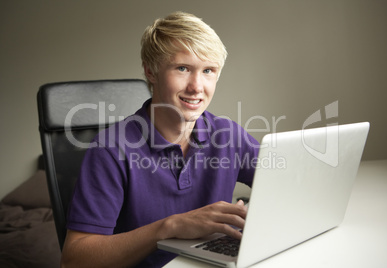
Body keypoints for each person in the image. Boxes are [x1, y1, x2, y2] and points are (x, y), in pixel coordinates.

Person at [61, 11, 259, 267]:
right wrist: (170, 226)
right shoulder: (110, 150)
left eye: (208, 70)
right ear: (151, 71)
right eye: (183, 68)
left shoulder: (228, 135)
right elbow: (74, 259)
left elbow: (288, 187)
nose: (197, 87)